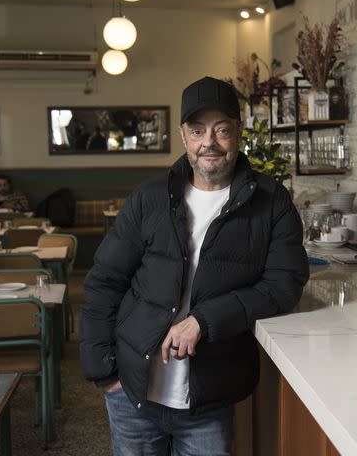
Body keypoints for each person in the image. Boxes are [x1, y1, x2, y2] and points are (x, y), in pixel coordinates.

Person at [80, 76, 308, 454]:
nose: (210, 143)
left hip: (209, 395)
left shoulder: (271, 201)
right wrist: (103, 373)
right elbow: (104, 282)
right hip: (133, 391)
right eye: (198, 130)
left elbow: (284, 284)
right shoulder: (149, 198)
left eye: (222, 130)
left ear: (238, 132)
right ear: (184, 135)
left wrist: (205, 318)